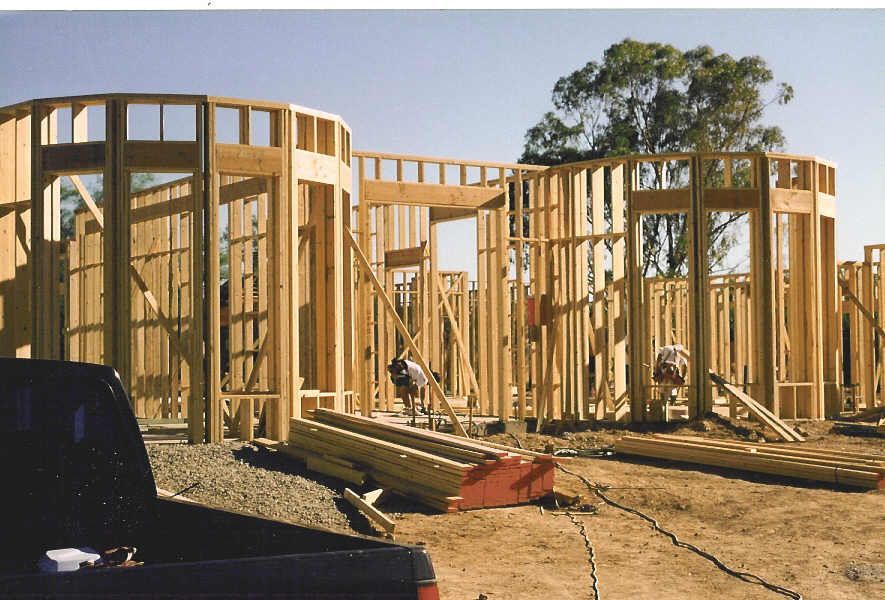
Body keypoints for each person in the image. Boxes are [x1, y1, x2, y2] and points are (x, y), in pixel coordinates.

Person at [652, 344, 689, 421]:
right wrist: (682, 378)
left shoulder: (664, 349)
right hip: (673, 372)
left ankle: (664, 407)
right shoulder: (680, 351)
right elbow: (684, 366)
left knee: (663, 389)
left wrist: (656, 372)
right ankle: (671, 406)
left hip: (664, 370)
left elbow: (658, 360)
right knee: (672, 390)